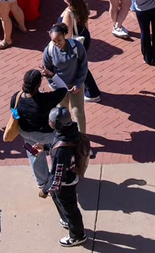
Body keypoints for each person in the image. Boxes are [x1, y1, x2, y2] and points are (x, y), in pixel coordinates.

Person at [11, 69, 66, 194]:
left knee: (35, 155)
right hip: (47, 135)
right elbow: (63, 88)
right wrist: (52, 75)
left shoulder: (16, 98)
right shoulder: (46, 99)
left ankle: (42, 182)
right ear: (38, 85)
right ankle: (58, 177)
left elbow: (14, 113)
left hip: (27, 134)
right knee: (56, 151)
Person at [42, 106, 88, 248]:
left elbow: (58, 175)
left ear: (57, 124)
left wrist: (45, 190)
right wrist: (45, 147)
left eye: (50, 121)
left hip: (66, 183)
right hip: (69, 177)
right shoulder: (70, 131)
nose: (48, 122)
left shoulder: (62, 151)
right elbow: (58, 141)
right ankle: (66, 219)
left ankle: (77, 236)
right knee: (59, 199)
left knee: (70, 208)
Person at [42, 23, 88, 134]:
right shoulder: (49, 50)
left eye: (59, 40)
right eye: (54, 41)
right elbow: (47, 71)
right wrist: (55, 86)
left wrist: (78, 84)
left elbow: (83, 67)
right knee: (62, 113)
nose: (57, 43)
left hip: (75, 86)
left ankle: (82, 139)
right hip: (59, 88)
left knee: (78, 112)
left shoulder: (77, 47)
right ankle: (67, 137)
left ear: (64, 35)